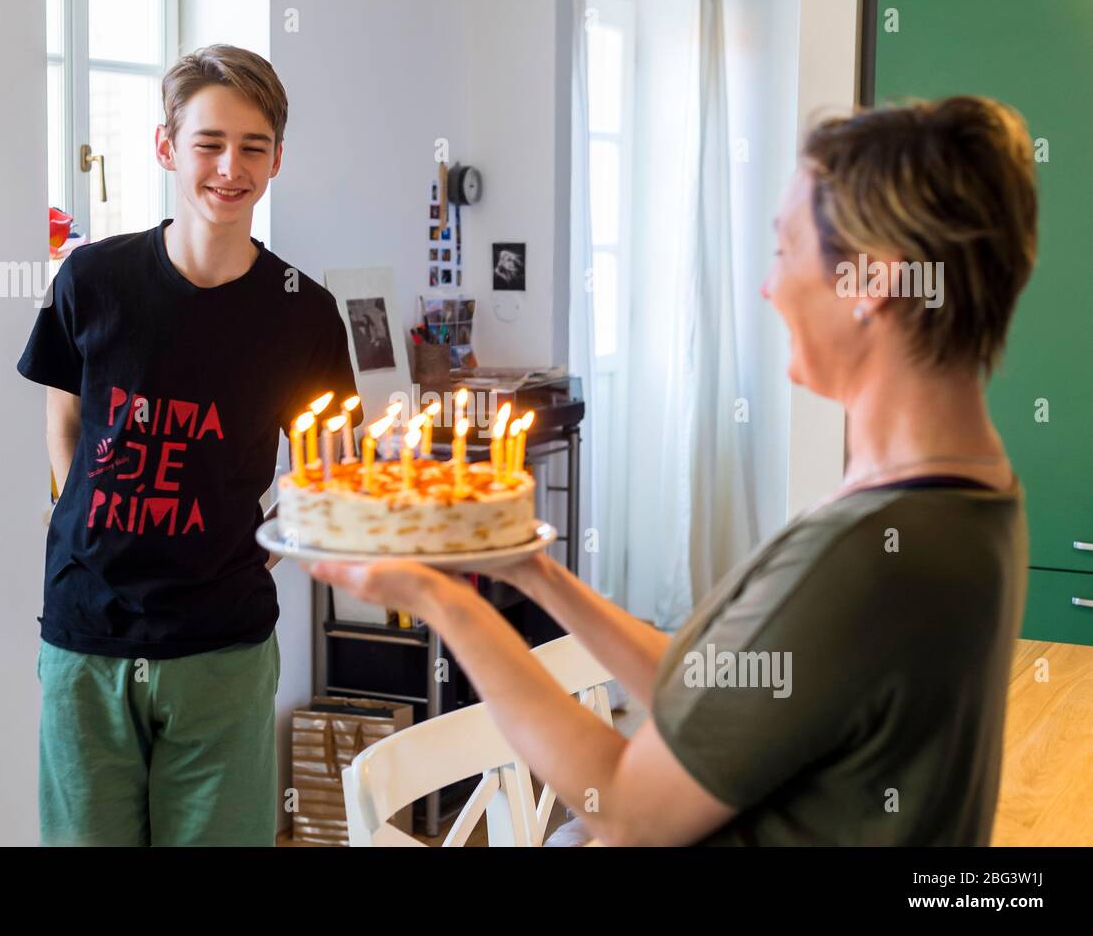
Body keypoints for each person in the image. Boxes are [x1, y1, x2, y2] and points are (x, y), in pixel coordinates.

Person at [309, 96, 1037, 845]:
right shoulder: (972, 498)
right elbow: (714, 698)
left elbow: (628, 810)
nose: (769, 286)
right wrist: (532, 572)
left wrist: (449, 604)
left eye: (785, 251)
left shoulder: (871, 558)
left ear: (872, 283)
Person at [17, 44, 361, 846]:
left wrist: (258, 549)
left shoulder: (302, 314)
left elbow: (328, 469)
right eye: (209, 143)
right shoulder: (90, 280)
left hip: (222, 648)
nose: (229, 167)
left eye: (253, 146)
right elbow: (63, 419)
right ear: (167, 147)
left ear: (277, 157)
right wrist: (81, 519)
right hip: (85, 640)